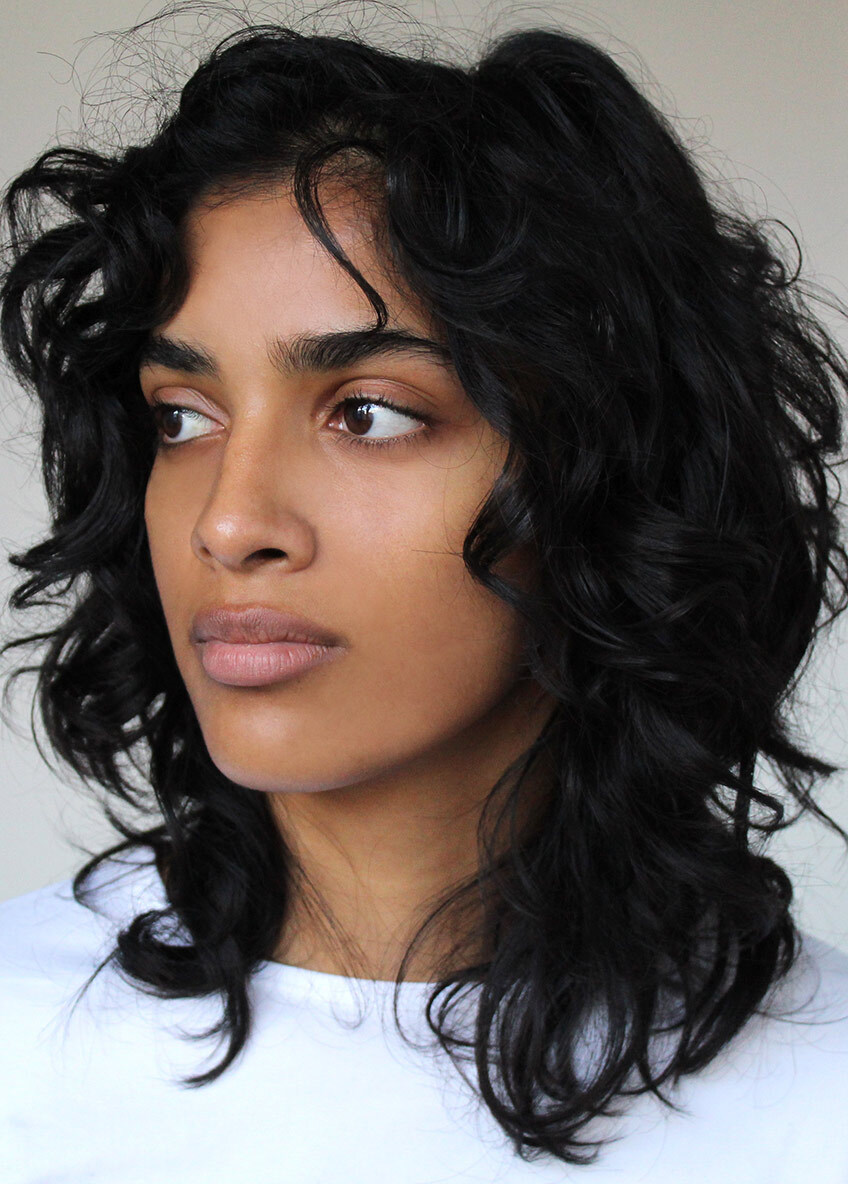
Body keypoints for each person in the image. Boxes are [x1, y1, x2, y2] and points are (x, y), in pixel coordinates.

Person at [1, 12, 848, 1182]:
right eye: (182, 418)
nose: (228, 522)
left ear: (603, 469)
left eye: (366, 412)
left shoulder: (819, 1097)